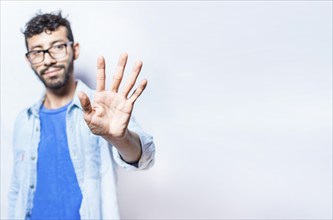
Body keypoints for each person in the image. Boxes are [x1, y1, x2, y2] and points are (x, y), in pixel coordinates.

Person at [8, 11, 155, 220]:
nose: (47, 60)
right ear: (28, 60)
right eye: (37, 52)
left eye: (57, 47)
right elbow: (17, 189)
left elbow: (145, 158)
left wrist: (120, 138)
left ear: (74, 49)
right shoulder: (24, 120)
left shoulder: (102, 108)